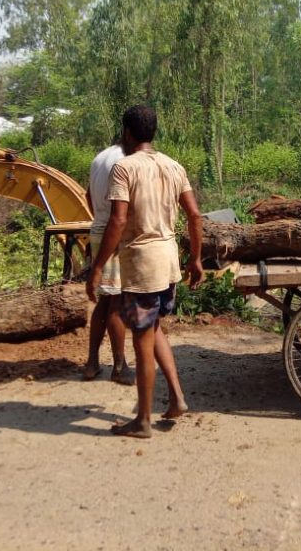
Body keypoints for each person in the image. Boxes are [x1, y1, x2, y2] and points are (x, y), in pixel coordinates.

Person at [87, 105, 204, 439]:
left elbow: (119, 220)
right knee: (154, 328)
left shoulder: (124, 168)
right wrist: (195, 259)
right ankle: (178, 398)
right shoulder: (173, 165)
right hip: (168, 261)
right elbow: (195, 216)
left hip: (141, 263)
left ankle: (142, 421)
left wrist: (97, 267)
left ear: (126, 132)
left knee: (142, 338)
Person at [82, 141, 130, 383]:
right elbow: (120, 212)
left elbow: (88, 195)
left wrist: (99, 221)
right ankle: (120, 366)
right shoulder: (125, 160)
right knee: (117, 302)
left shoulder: (100, 157)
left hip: (99, 229)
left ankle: (92, 363)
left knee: (105, 299)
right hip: (114, 232)